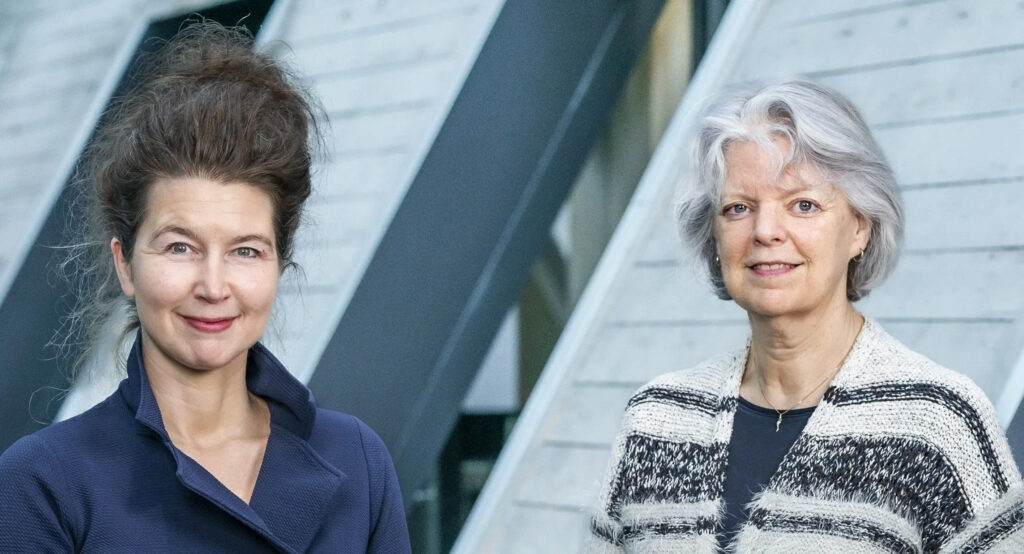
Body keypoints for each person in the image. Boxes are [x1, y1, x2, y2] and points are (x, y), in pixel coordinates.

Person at [0, 23, 411, 553]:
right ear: (125, 264)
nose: (214, 286)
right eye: (180, 247)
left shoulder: (358, 460)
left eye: (245, 251)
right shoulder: (43, 483)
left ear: (279, 265)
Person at [586, 80, 1024, 552]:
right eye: (738, 208)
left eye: (803, 205)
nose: (766, 231)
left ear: (860, 227)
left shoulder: (937, 422)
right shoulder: (655, 419)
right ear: (713, 237)